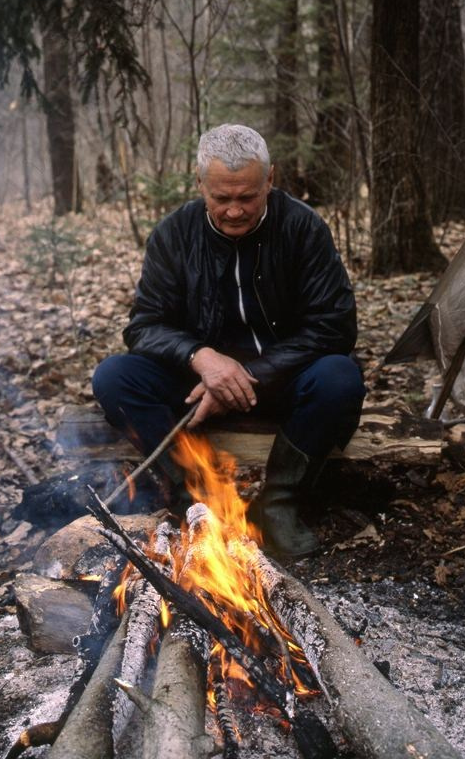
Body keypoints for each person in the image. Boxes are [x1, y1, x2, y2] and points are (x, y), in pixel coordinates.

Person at [92, 124, 365, 557]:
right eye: (221, 198)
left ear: (270, 179)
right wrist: (200, 357)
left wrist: (245, 375)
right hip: (196, 390)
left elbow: (334, 326)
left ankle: (279, 505)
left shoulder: (303, 228)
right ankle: (197, 501)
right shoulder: (174, 234)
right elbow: (143, 327)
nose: (235, 211)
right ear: (200, 183)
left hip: (283, 383)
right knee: (114, 376)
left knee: (339, 377)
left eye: (247, 197)